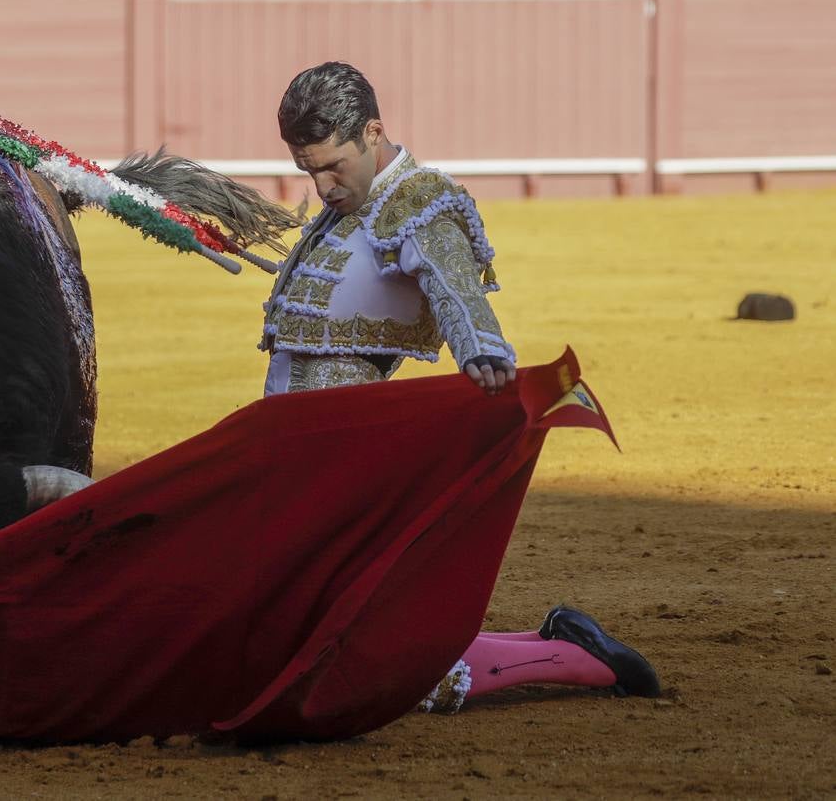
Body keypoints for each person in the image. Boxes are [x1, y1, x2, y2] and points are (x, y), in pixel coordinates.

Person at [259, 62, 661, 712]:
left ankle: (576, 658)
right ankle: (557, 643)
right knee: (314, 624)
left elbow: (452, 284)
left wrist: (480, 348)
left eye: (333, 166)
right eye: (309, 171)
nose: (323, 185)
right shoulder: (350, 206)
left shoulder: (416, 199)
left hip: (349, 457)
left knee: (370, 655)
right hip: (298, 452)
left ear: (372, 133)